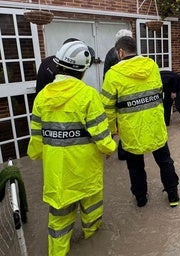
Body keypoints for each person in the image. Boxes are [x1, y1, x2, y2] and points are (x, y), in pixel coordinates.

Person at [27, 41, 117, 255]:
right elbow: (103, 138)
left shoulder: (42, 97)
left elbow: (36, 140)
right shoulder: (89, 96)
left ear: (58, 65)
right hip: (86, 172)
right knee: (92, 214)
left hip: (57, 174)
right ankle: (93, 246)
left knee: (59, 223)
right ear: (83, 70)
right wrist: (110, 149)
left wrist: (44, 156)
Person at [101, 36, 180, 208]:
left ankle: (141, 199)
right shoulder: (152, 65)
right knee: (165, 161)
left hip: (131, 130)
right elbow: (159, 91)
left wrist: (112, 131)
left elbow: (107, 108)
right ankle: (173, 195)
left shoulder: (112, 74)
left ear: (120, 52)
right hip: (155, 125)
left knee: (135, 167)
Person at [103, 29, 133, 160]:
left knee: (116, 122)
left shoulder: (111, 53)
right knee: (120, 122)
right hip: (122, 94)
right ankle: (120, 150)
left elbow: (106, 76)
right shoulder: (117, 54)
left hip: (116, 94)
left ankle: (109, 147)